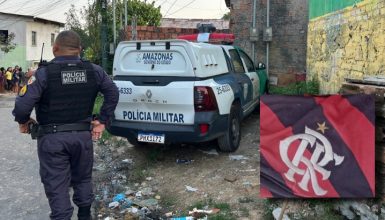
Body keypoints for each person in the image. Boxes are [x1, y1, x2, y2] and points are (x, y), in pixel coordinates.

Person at [12, 30, 119, 220]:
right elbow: (113, 93)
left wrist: (23, 121)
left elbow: (22, 107)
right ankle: (85, 215)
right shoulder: (94, 70)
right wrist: (102, 122)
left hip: (52, 140)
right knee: (83, 179)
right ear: (79, 50)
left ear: (54, 49)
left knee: (57, 185)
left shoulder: (43, 74)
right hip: (82, 138)